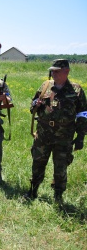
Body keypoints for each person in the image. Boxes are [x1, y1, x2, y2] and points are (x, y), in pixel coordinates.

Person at [25, 59, 87, 204]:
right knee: (38, 163)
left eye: (57, 71)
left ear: (67, 71)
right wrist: (36, 104)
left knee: (61, 167)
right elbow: (32, 107)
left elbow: (83, 114)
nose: (53, 73)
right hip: (43, 135)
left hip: (64, 137)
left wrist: (81, 136)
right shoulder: (45, 86)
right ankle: (33, 191)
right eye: (52, 71)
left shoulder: (76, 90)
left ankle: (58, 195)